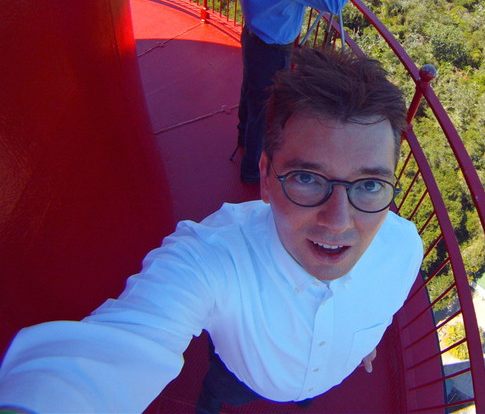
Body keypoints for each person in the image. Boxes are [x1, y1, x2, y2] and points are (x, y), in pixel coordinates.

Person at [0, 48, 423, 414]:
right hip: (238, 375)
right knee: (217, 394)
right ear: (265, 177)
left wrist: (365, 337)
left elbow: (382, 305)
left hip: (326, 378)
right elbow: (113, 351)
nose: (338, 220)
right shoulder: (212, 257)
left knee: (302, 398)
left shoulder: (404, 248)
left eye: (369, 185)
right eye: (307, 179)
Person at [237, 0, 374, 184]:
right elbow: (334, 1)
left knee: (251, 94)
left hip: (252, 34)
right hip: (272, 47)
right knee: (265, 111)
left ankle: (241, 139)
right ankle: (251, 172)